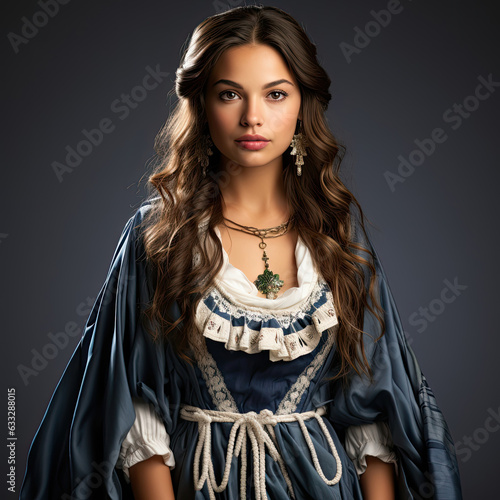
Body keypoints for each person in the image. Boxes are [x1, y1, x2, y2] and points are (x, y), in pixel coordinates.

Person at [19, 5, 462, 500]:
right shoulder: (158, 235)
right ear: (202, 105)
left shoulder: (339, 236)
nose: (253, 116)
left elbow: (374, 407)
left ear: (302, 106)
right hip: (202, 484)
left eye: (275, 94)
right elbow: (133, 408)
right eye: (230, 94)